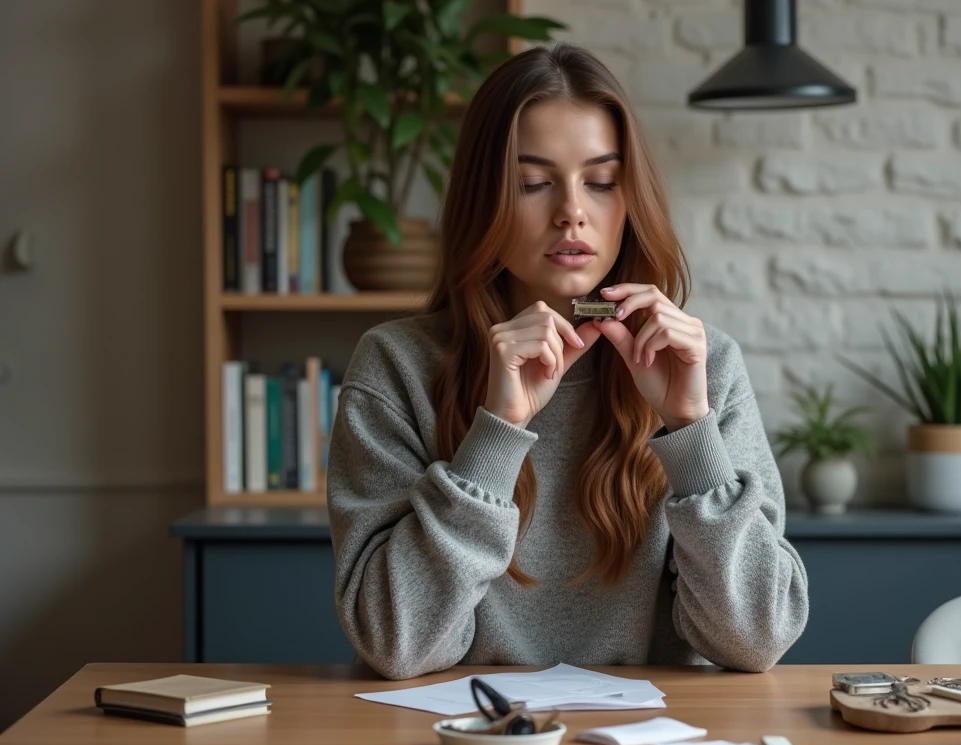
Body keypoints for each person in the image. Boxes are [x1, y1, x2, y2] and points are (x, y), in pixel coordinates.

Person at [326, 42, 808, 681]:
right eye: (533, 183)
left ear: (630, 200)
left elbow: (757, 640)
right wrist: (495, 436)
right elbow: (396, 643)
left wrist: (689, 430)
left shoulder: (704, 364)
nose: (572, 211)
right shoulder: (398, 365)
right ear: (484, 200)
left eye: (602, 182)